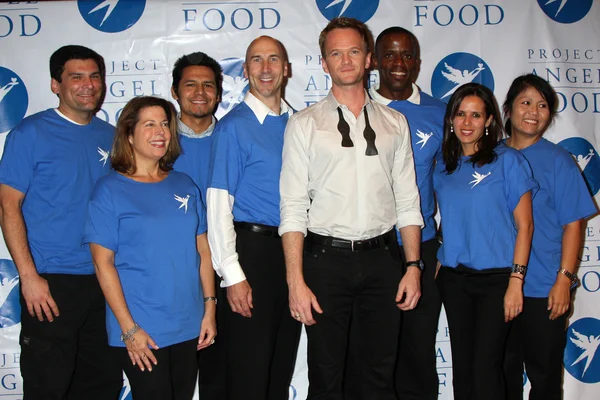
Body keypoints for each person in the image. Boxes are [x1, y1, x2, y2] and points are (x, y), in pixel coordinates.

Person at [279, 17, 424, 399]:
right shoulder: (303, 124)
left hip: (383, 261)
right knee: (326, 378)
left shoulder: (396, 123)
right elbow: (292, 207)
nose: (346, 60)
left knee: (379, 375)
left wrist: (412, 266)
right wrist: (295, 281)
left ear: (369, 59)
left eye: (354, 51)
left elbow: (408, 201)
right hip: (325, 262)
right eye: (336, 53)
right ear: (324, 63)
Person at [0, 45, 122, 399]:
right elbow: (9, 206)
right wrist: (29, 277)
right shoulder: (30, 133)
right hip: (51, 284)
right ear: (56, 84)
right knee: (49, 385)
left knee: (101, 383)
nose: (88, 85)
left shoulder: (111, 135)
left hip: (104, 280)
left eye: (94, 77)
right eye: (76, 77)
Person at [83, 96, 216, 400]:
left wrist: (210, 309)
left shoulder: (184, 183)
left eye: (166, 124)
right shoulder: (109, 190)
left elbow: (203, 252)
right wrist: (129, 329)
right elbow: (103, 264)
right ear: (129, 134)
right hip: (142, 328)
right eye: (150, 124)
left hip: (188, 322)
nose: (161, 132)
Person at [206, 36, 301, 400]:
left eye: (273, 59)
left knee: (281, 365)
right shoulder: (234, 127)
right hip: (252, 255)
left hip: (292, 254)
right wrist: (232, 275)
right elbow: (217, 204)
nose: (265, 69)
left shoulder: (299, 124)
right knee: (249, 370)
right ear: (245, 71)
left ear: (286, 68)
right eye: (257, 61)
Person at [434, 82, 537, 400]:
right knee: (462, 371)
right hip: (454, 280)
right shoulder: (443, 165)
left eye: (476, 115)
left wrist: (515, 282)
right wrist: (441, 262)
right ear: (451, 119)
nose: (467, 122)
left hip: (497, 281)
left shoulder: (508, 161)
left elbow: (526, 225)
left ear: (490, 120)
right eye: (460, 114)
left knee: (486, 370)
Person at [502, 74, 597, 400]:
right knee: (502, 376)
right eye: (526, 102)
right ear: (509, 109)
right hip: (496, 287)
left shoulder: (559, 161)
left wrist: (564, 278)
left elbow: (574, 224)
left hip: (543, 288)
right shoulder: (491, 157)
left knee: (543, 381)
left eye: (543, 105)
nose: (534, 111)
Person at [369, 26, 445, 400]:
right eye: (389, 54)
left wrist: (446, 249)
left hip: (423, 249)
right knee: (374, 355)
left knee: (418, 350)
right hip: (370, 250)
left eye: (406, 55)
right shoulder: (356, 108)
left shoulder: (439, 113)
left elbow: (453, 185)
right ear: (374, 61)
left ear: (416, 61)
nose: (398, 63)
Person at [171, 51, 226, 399]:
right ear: (175, 91)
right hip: (173, 277)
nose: (200, 92)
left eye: (208, 85)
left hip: (229, 273)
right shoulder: (154, 143)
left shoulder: (235, 137)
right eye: (190, 85)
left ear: (219, 93)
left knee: (222, 377)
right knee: (171, 381)